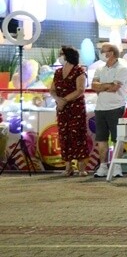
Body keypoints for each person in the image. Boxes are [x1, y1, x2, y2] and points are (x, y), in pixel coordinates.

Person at [91, 43, 127, 179]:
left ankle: (117, 166)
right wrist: (107, 85)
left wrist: (103, 86)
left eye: (103, 51)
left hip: (116, 108)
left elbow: (115, 88)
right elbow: (93, 86)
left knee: (117, 139)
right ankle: (103, 166)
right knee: (101, 139)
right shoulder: (99, 69)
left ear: (111, 53)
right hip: (100, 108)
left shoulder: (122, 69)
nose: (102, 53)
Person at [50, 46, 90, 176]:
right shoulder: (58, 72)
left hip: (75, 108)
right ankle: (68, 167)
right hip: (62, 108)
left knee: (78, 135)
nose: (60, 56)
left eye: (62, 54)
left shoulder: (79, 71)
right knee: (64, 135)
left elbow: (80, 90)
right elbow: (52, 90)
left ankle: (82, 168)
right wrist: (58, 100)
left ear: (68, 55)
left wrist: (64, 100)